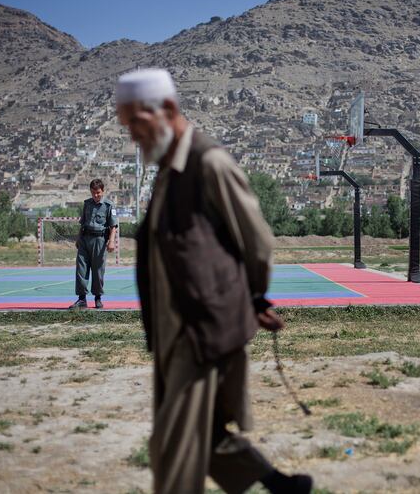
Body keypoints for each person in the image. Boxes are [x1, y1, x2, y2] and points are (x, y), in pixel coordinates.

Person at [115, 68, 312, 494]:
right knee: (201, 435)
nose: (132, 136)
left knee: (174, 451)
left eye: (136, 123)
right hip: (173, 330)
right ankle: (281, 486)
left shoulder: (209, 164)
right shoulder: (169, 170)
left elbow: (256, 241)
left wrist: (256, 298)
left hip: (202, 331)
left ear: (167, 110)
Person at [69, 178, 118, 309]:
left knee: (98, 270)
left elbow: (113, 226)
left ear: (103, 191)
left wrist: (111, 241)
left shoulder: (108, 205)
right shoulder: (87, 204)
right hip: (85, 239)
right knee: (81, 268)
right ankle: (82, 299)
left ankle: (98, 298)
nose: (95, 195)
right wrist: (78, 239)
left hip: (99, 241)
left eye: (98, 192)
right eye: (93, 192)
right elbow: (82, 223)